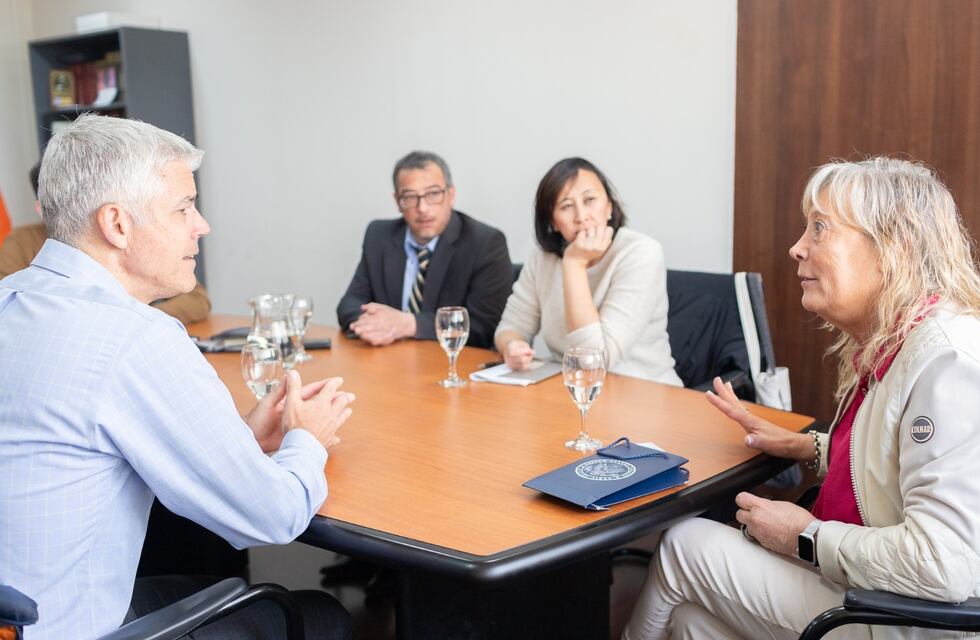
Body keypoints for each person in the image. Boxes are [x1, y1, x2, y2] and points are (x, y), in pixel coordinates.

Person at [0, 115, 354, 640]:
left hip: (17, 611)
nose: (202, 225)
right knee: (322, 616)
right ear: (117, 224)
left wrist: (240, 438)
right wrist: (308, 438)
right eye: (184, 208)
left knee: (198, 577)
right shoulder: (135, 337)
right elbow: (273, 518)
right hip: (67, 628)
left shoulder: (11, 300)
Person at [623, 157, 980, 639]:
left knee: (683, 545)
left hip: (898, 618)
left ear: (894, 247)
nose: (796, 248)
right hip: (874, 595)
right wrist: (808, 447)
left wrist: (804, 539)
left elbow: (944, 564)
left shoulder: (946, 365)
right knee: (691, 623)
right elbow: (889, 465)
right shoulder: (897, 341)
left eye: (819, 229)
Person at [494, 157, 681, 385]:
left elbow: (594, 361)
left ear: (609, 208)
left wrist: (574, 263)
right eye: (566, 206)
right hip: (571, 393)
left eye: (590, 200)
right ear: (552, 221)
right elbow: (510, 327)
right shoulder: (543, 259)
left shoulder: (641, 253)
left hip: (645, 395)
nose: (581, 216)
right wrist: (512, 346)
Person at [336, 150, 512, 349]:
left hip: (449, 366)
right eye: (410, 197)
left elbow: (484, 328)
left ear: (451, 195)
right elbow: (349, 305)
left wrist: (408, 324)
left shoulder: (484, 242)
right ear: (397, 202)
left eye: (433, 194)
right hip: (388, 361)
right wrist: (380, 325)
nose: (423, 208)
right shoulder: (379, 236)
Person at [0, 162, 211, 325]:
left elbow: (197, 300)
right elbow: (10, 307)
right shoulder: (21, 242)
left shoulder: (135, 236)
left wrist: (137, 318)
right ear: (43, 209)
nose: (201, 227)